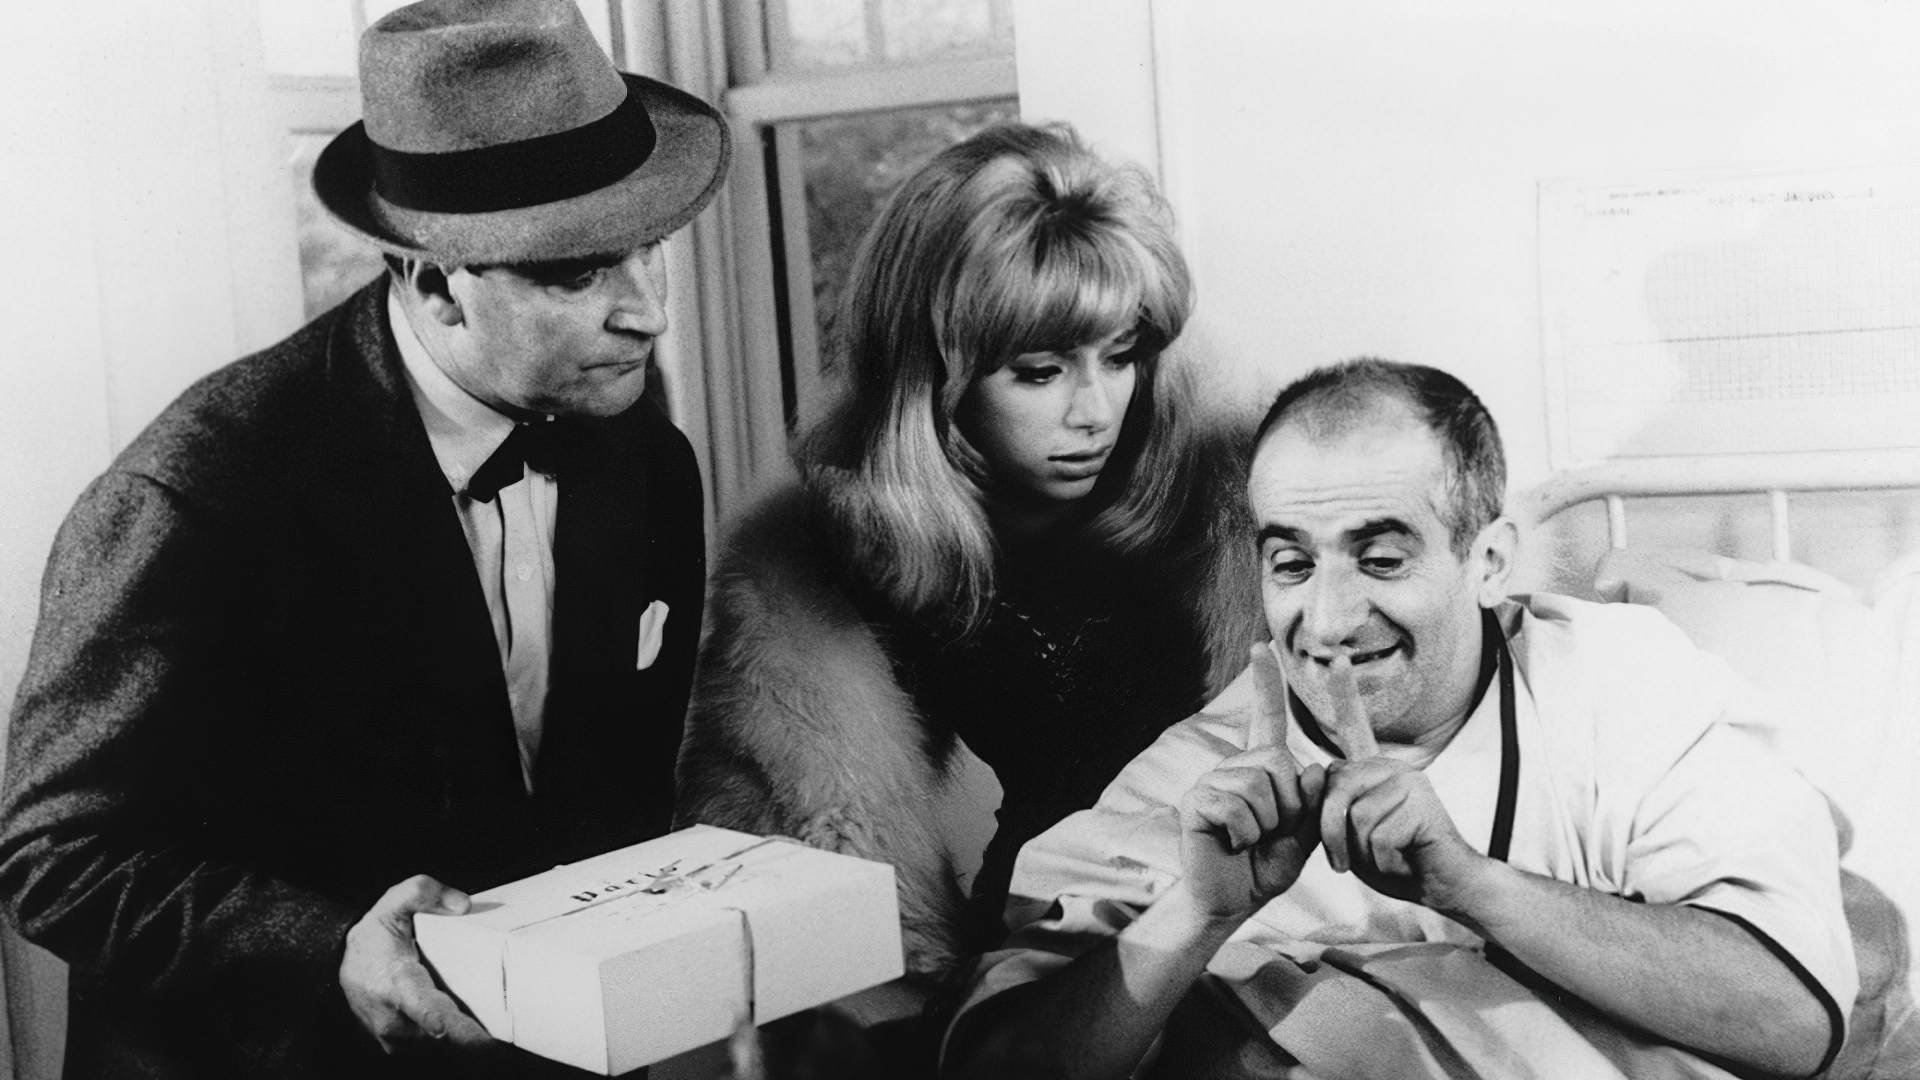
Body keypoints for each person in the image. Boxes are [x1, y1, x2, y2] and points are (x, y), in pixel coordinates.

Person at [0, 1, 728, 1076]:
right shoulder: (197, 492)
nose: (647, 313)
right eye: (576, 274)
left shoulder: (645, 458)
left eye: (649, 252)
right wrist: (329, 948)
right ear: (434, 283)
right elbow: (55, 854)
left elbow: (607, 802)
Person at [942, 359, 1859, 1079]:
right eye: (1292, 564)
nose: (1329, 620)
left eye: (1381, 560)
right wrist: (1198, 915)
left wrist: (1471, 886)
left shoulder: (1623, 687)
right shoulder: (1200, 783)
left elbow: (1794, 1020)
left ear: (1489, 562)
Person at [675, 124, 1261, 994]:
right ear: (933, 380)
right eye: (1040, 372)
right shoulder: (837, 562)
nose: (1096, 411)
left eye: (1121, 357)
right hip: (1036, 951)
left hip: (1252, 935)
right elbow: (806, 841)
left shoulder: (1245, 498)